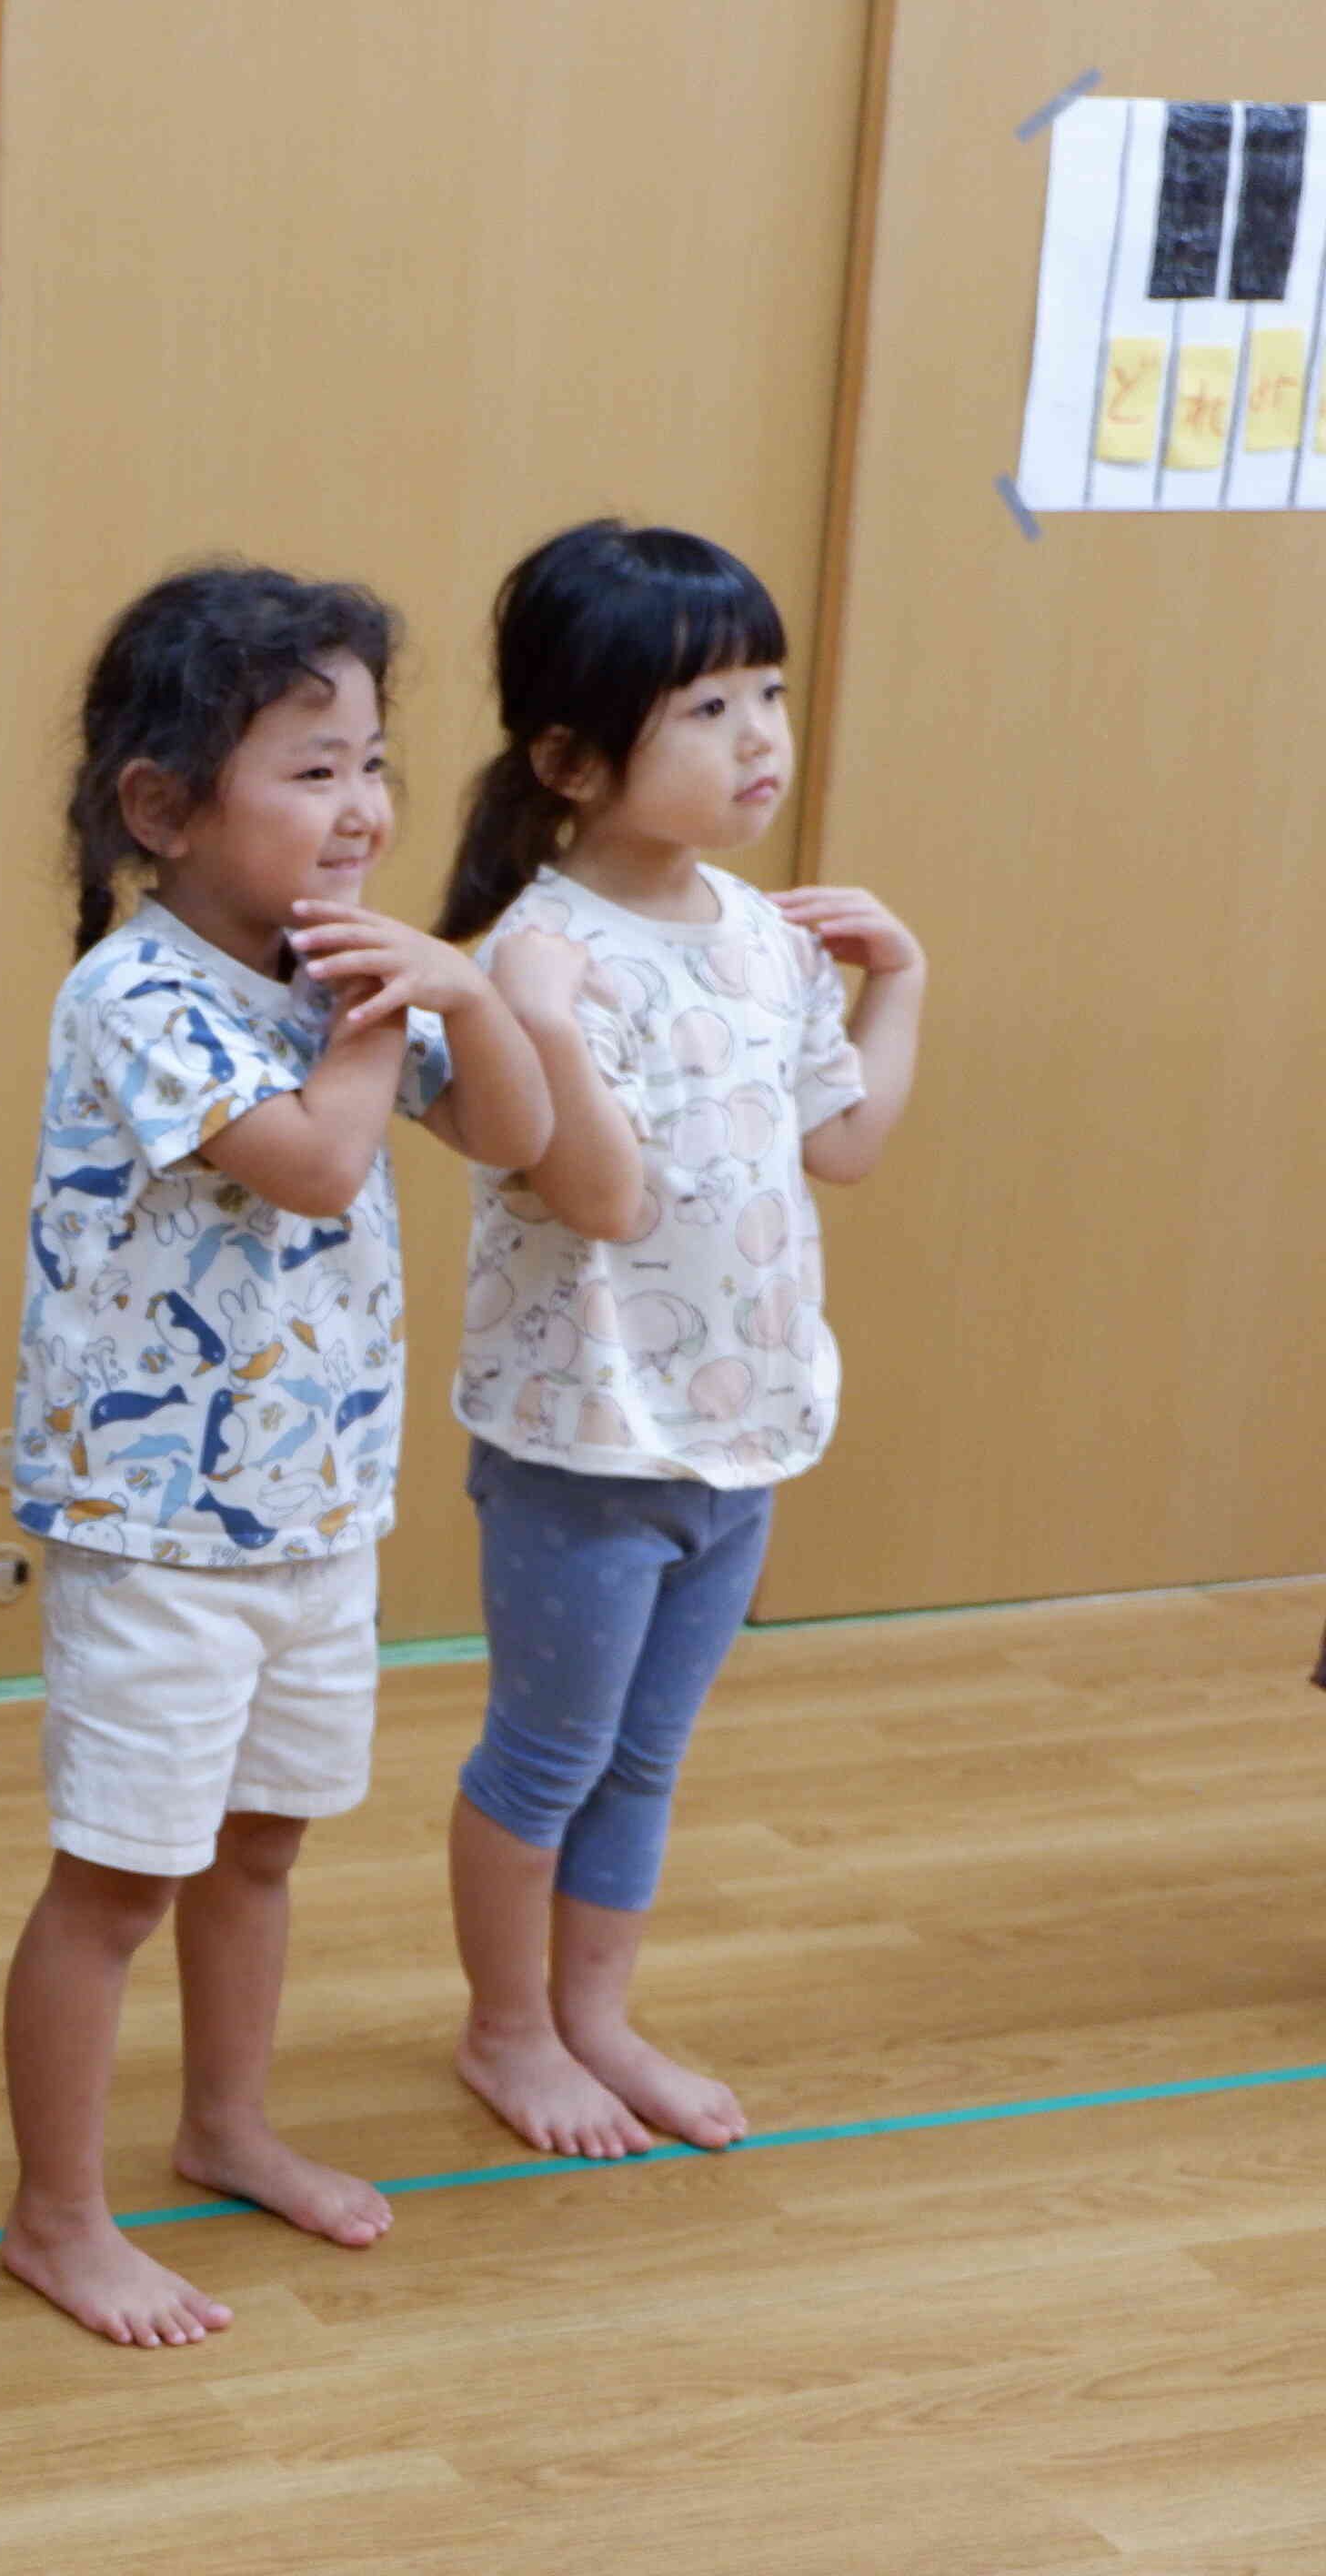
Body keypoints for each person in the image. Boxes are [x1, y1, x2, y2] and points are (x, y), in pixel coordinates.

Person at [2, 565, 552, 2347]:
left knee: (258, 1853)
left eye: (369, 761)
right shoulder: (136, 992)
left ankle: (224, 2120)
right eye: (308, 769)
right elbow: (315, 1160)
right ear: (161, 809)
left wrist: (461, 991)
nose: (362, 807)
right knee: (115, 1887)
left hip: (313, 1520)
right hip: (157, 1531)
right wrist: (386, 1011)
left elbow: (513, 1134)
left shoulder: (337, 980)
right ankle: (53, 2215)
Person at [434, 520, 923, 2162]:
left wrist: (898, 982)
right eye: (707, 707)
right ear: (571, 757)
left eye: (766, 694)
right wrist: (550, 1021)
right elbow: (615, 1203)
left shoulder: (765, 936)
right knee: (550, 1752)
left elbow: (841, 1148)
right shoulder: (536, 954)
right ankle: (509, 2033)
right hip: (588, 1439)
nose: (760, 737)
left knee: (645, 1757)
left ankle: (597, 2017)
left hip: (743, 1431)